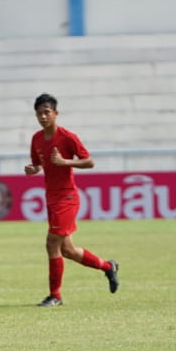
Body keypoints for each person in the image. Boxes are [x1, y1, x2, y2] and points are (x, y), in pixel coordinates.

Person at [23, 93, 119, 306]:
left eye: (47, 112)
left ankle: (55, 296)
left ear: (56, 113)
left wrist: (65, 162)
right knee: (67, 250)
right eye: (39, 113)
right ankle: (108, 267)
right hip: (51, 198)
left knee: (51, 244)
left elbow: (90, 161)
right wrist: (34, 169)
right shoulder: (37, 139)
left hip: (67, 197)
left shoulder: (67, 137)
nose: (43, 117)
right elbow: (39, 163)